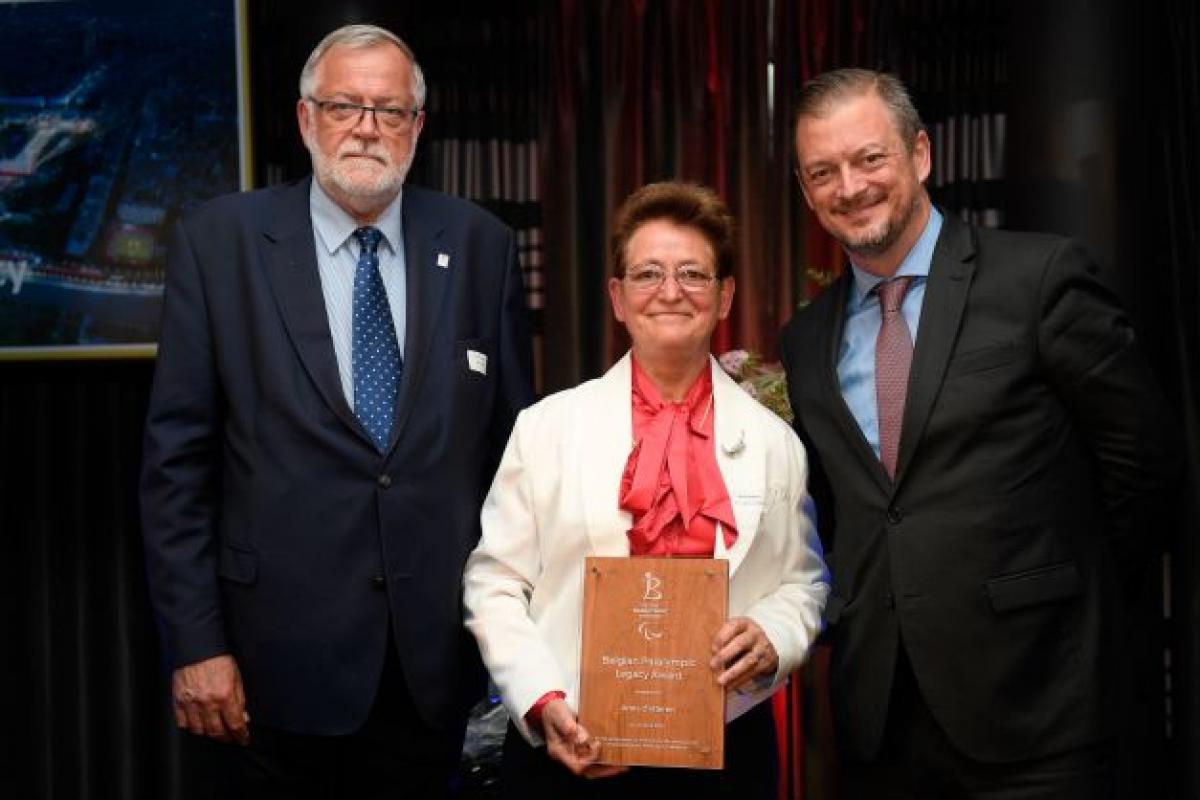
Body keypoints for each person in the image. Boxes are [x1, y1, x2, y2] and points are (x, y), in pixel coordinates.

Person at [139, 23, 532, 798]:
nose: (366, 127)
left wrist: (519, 646)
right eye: (345, 105)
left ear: (417, 128)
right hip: (268, 669)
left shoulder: (480, 244)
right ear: (304, 118)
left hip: (436, 669)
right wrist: (196, 645)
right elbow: (176, 468)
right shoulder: (221, 243)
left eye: (389, 111)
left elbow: (512, 461)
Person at [780, 68, 1178, 798]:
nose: (851, 186)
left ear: (921, 155)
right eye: (823, 172)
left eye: (870, 158)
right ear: (807, 193)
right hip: (884, 726)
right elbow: (841, 516)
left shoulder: (1038, 278)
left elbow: (1144, 465)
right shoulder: (805, 340)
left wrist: (1065, 595)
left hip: (1041, 708)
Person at [463, 181, 829, 799]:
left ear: (724, 296)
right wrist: (540, 699)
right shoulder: (547, 426)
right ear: (617, 297)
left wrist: (774, 631)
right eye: (648, 273)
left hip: (726, 745)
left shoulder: (774, 442)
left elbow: (804, 583)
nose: (670, 291)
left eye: (693, 273)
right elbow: (495, 581)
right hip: (574, 738)